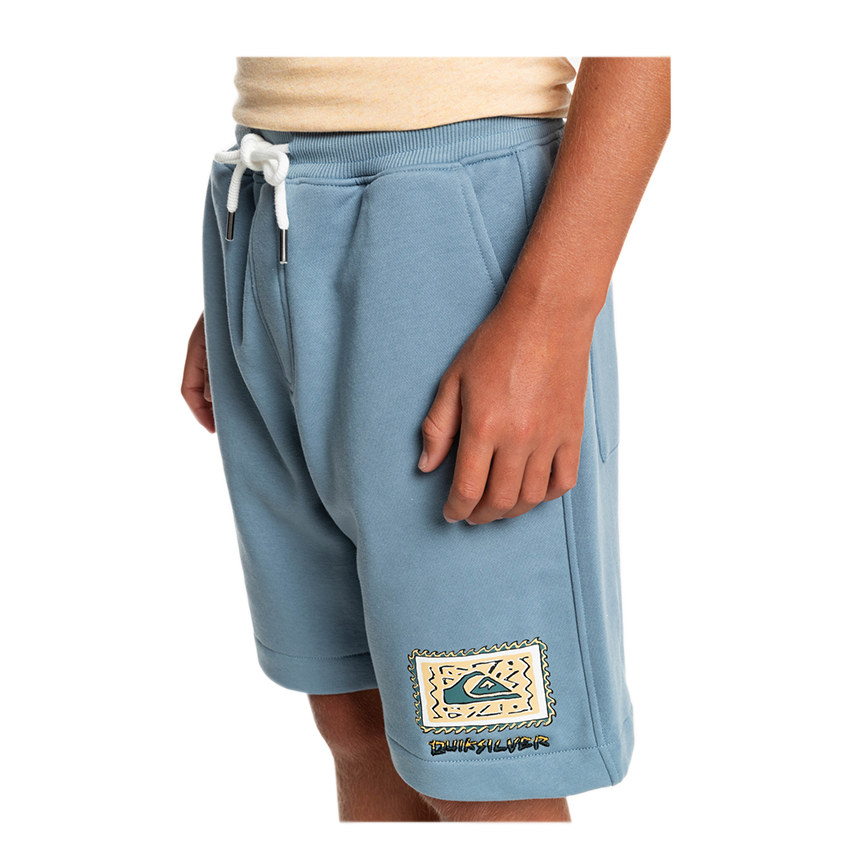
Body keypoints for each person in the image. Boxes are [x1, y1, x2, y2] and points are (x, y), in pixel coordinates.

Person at [181, 57, 670, 822]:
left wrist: (549, 319)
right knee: (357, 724)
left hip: (450, 236)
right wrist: (267, 298)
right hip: (271, 209)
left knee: (484, 772)